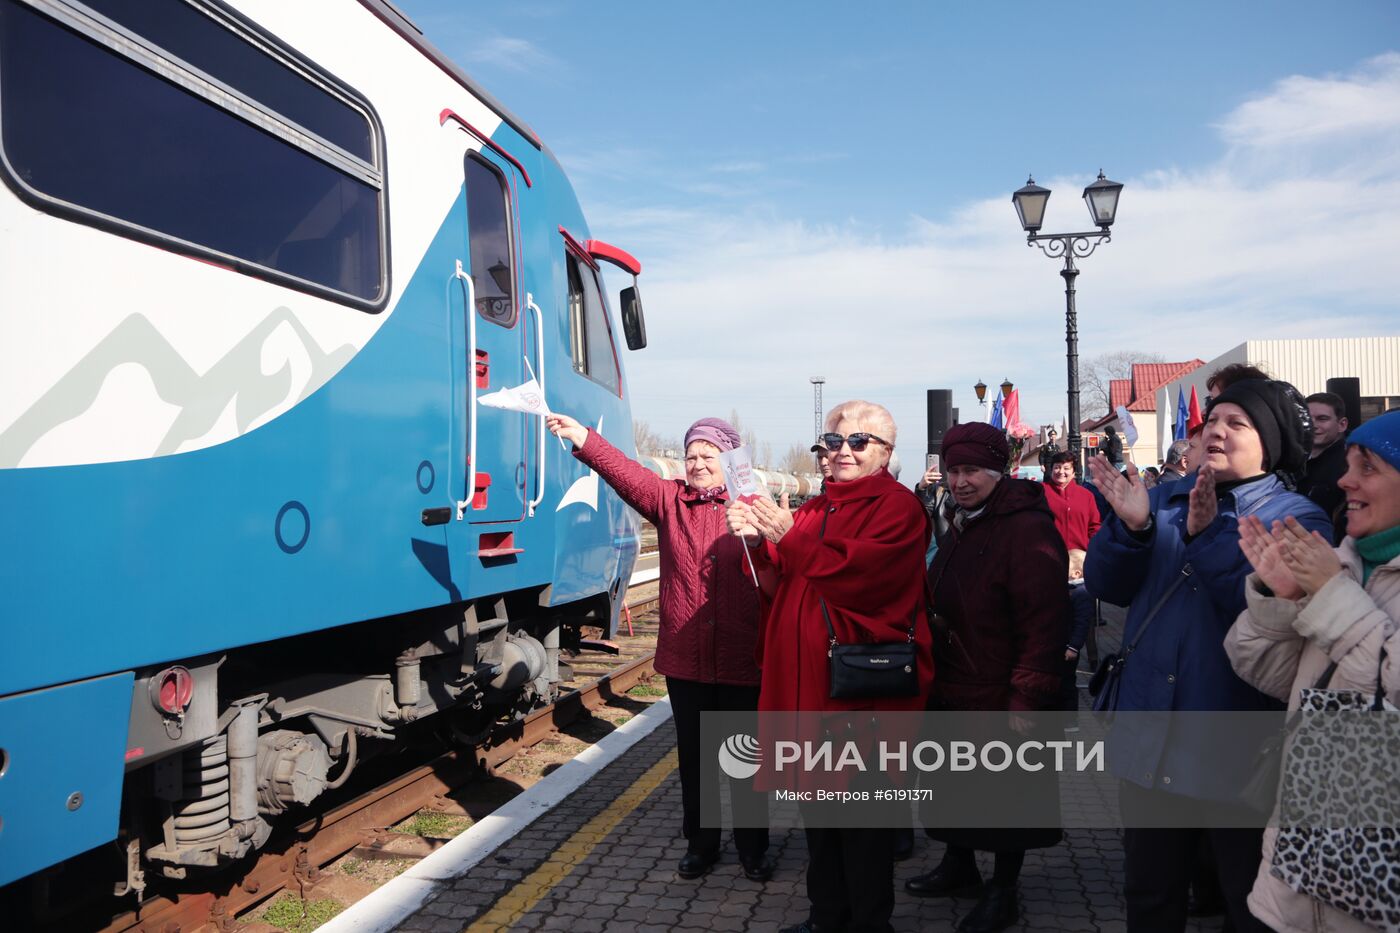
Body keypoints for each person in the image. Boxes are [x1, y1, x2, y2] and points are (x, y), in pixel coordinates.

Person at [1084, 379, 1331, 933]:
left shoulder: (1298, 518)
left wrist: (1205, 536)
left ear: (1270, 443)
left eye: (1236, 424)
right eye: (1212, 421)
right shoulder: (1162, 500)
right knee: (1149, 894)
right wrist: (1133, 528)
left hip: (1238, 744)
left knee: (1247, 901)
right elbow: (1107, 585)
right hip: (1148, 736)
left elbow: (1273, 615)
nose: (1216, 430)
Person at [727, 400, 933, 933]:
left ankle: (868, 923)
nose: (842, 450)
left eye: (858, 442)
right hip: (808, 696)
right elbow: (786, 585)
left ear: (886, 452)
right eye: (833, 441)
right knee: (820, 824)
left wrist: (785, 536)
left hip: (859, 702)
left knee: (863, 831)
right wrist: (758, 546)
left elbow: (861, 579)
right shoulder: (819, 508)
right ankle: (826, 918)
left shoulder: (899, 508)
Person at [546, 413, 772, 882]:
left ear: (729, 459)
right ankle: (702, 845)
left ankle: (754, 848)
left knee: (746, 759)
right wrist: (584, 438)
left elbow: (781, 564)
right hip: (687, 660)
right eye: (691, 455)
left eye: (708, 455)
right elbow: (626, 472)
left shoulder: (752, 505)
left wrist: (764, 531)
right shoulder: (670, 502)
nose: (698, 464)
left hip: (743, 657)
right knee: (695, 761)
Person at [1225, 410, 1400, 933]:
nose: (1346, 480)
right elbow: (1270, 675)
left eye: (1367, 467)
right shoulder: (1342, 562)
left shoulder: (1335, 577)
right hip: (1295, 870)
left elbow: (1387, 692)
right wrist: (1282, 600)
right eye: (1347, 465)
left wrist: (1329, 596)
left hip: (1377, 885)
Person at [906, 422, 1069, 933]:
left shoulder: (1025, 527)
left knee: (1007, 800)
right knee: (953, 786)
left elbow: (1044, 620)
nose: (960, 480)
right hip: (957, 684)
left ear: (999, 472)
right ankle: (959, 866)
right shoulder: (964, 520)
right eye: (954, 470)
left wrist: (1027, 697)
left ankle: (1003, 891)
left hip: (1001, 691)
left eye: (972, 470)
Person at [1042, 450, 1102, 727]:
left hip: (1080, 566)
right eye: (1057, 467)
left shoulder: (1086, 496)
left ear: (1074, 471)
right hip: (1049, 565)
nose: (1061, 472)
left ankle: (1084, 652)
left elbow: (1095, 527)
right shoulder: (1041, 493)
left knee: (1081, 617)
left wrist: (1092, 552)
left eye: (1066, 468)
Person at [1300, 391, 1350, 541]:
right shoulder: (1294, 461)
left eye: (1322, 419)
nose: (1313, 425)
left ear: (1342, 425)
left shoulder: (1350, 465)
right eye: (1307, 418)